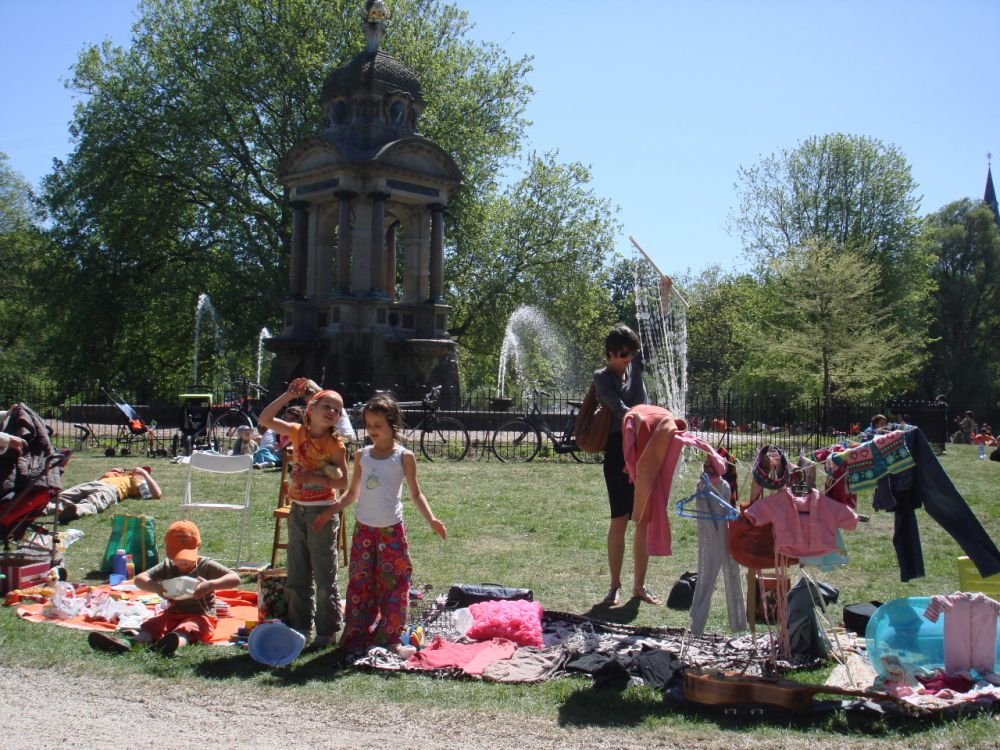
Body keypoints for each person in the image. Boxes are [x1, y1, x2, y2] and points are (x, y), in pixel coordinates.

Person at [313, 393, 447, 652]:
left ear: (392, 425)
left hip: (391, 532)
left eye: (378, 425)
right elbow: (352, 494)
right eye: (368, 425)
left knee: (393, 583)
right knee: (360, 583)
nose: (372, 430)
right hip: (364, 531)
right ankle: (356, 633)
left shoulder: (404, 456)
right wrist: (330, 511)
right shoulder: (362, 455)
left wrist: (431, 519)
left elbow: (416, 493)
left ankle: (388, 637)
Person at [258, 378, 349, 646]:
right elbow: (265, 419)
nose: (332, 412)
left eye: (337, 410)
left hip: (322, 513)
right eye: (327, 406)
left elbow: (343, 483)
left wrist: (314, 478)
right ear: (311, 408)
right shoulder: (297, 432)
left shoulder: (335, 445)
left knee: (324, 576)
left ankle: (327, 630)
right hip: (297, 510)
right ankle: (300, 626)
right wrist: (288, 396)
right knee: (297, 574)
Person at [88, 520, 240, 655]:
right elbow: (140, 580)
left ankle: (173, 644)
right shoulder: (167, 566)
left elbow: (234, 578)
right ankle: (129, 642)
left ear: (197, 547)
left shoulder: (205, 565)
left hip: (201, 616)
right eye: (177, 557)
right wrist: (159, 587)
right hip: (172, 614)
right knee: (154, 625)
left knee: (189, 628)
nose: (182, 562)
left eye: (187, 557)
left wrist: (210, 585)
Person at [592, 323, 657, 607]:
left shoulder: (635, 366)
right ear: (609, 353)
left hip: (644, 450)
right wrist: (640, 416)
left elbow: (655, 336)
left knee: (643, 519)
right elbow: (619, 408)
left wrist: (664, 303)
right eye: (622, 354)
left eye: (631, 352)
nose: (628, 358)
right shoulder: (602, 377)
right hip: (618, 451)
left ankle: (640, 586)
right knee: (619, 519)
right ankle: (614, 586)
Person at [51, 466, 161, 522]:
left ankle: (76, 510)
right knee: (65, 495)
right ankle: (45, 507)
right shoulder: (117, 474)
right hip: (94, 484)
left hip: (111, 490)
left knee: (94, 502)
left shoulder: (140, 482)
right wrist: (112, 471)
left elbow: (157, 494)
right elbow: (99, 480)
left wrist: (144, 474)